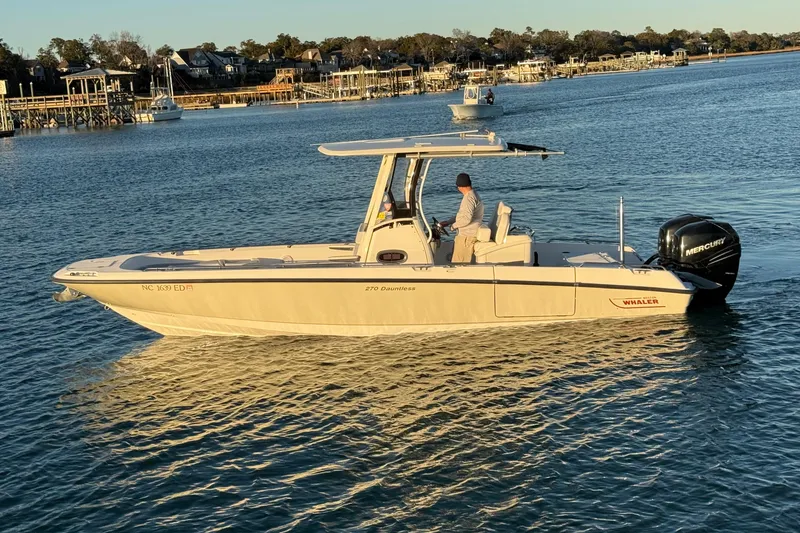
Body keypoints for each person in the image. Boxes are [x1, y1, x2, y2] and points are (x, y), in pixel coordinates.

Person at [441, 173, 485, 264]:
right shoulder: (473, 194)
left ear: (459, 186)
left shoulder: (469, 198)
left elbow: (466, 219)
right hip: (467, 235)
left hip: (466, 237)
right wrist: (448, 222)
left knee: (459, 265)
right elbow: (462, 215)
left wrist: (453, 226)